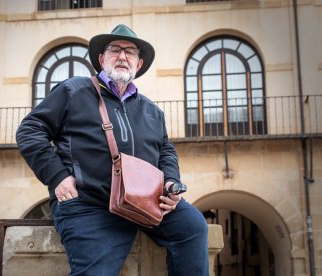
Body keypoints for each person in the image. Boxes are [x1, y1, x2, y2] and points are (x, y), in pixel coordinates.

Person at [16, 24, 209, 275]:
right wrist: (58, 176)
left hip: (146, 200)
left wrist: (171, 182)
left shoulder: (152, 111)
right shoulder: (73, 90)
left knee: (193, 227)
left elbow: (165, 150)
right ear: (101, 59)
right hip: (89, 204)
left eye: (130, 52)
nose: (122, 56)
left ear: (138, 64)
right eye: (115, 49)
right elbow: (30, 130)